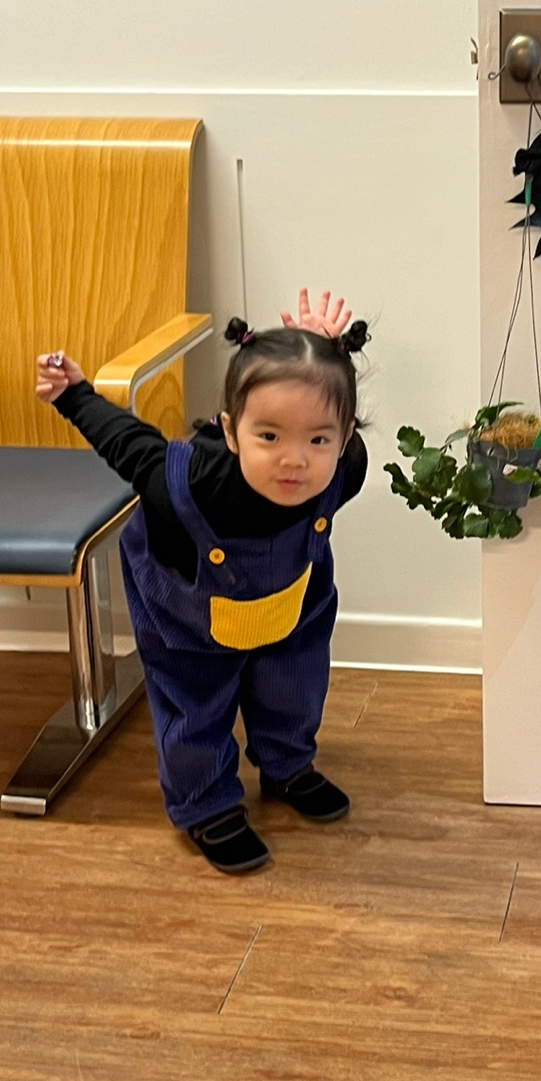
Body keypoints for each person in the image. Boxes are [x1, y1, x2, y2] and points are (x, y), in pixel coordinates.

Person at [36, 289, 369, 875]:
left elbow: (324, 414)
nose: (295, 460)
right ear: (232, 432)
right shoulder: (192, 481)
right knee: (196, 703)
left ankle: (287, 765)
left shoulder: (346, 469)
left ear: (344, 439)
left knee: (294, 684)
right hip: (186, 606)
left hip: (290, 602)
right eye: (269, 436)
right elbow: (126, 441)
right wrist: (73, 394)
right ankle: (205, 802)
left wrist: (320, 355)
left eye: (318, 439)